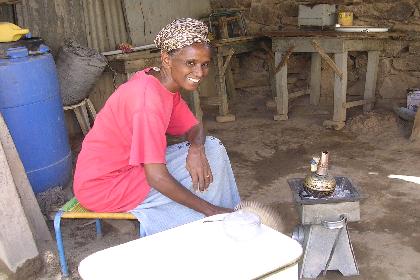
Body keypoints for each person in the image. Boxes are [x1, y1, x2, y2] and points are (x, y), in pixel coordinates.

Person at [73, 18, 241, 236]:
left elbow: (194, 127)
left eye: (205, 64)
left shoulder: (161, 83)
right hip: (104, 186)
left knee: (212, 149)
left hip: (129, 169)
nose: (199, 73)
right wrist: (211, 210)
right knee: (198, 198)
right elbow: (157, 177)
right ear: (167, 59)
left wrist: (196, 149)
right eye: (190, 63)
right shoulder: (147, 101)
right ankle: (218, 223)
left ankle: (227, 222)